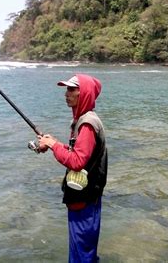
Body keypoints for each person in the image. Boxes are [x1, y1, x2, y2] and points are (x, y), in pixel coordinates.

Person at [37, 74, 108, 263]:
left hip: (84, 199)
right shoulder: (84, 119)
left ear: (83, 93)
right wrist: (54, 144)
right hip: (89, 196)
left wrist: (53, 145)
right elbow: (80, 153)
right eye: (66, 89)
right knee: (86, 247)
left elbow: (76, 161)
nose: (66, 94)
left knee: (81, 251)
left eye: (71, 89)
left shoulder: (87, 124)